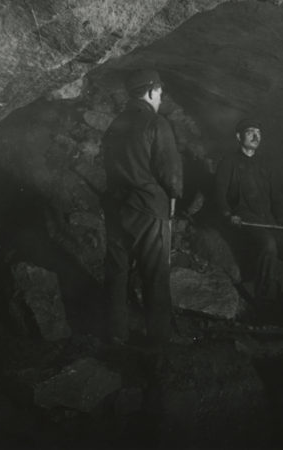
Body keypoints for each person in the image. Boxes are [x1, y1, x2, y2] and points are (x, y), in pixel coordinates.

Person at [102, 69, 182, 345]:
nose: (160, 98)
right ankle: (158, 341)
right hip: (149, 209)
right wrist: (172, 199)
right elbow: (170, 173)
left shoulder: (115, 125)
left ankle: (116, 335)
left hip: (117, 208)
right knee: (155, 275)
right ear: (150, 92)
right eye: (159, 93)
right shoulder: (155, 123)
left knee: (117, 273)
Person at [215, 118, 283, 304]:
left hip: (269, 222)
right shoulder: (229, 162)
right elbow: (220, 194)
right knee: (267, 243)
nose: (255, 136)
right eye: (250, 131)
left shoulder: (266, 165)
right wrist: (228, 215)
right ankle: (265, 301)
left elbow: (277, 201)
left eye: (258, 132)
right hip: (244, 220)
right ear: (238, 136)